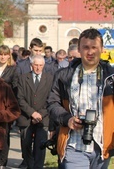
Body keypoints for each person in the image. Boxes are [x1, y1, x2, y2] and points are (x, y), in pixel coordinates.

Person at [47, 28, 114, 168]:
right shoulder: (64, 76)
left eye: (94, 47)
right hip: (73, 144)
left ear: (102, 49)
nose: (90, 52)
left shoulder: (111, 77)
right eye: (86, 47)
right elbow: (52, 103)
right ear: (79, 49)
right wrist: (67, 119)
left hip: (103, 146)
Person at [16, 55, 53, 169]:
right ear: (31, 65)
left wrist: (40, 114)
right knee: (26, 144)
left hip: (43, 118)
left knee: (40, 146)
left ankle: (38, 167)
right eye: (36, 65)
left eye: (41, 65)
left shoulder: (50, 78)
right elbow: (20, 98)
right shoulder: (23, 78)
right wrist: (32, 113)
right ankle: (29, 165)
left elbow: (51, 99)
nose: (38, 68)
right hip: (26, 117)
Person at [0, 44, 17, 167]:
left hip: (6, 107)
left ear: (9, 56)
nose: (2, 57)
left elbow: (15, 89)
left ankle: (2, 161)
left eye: (5, 54)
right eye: (0, 54)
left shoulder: (13, 70)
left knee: (4, 134)